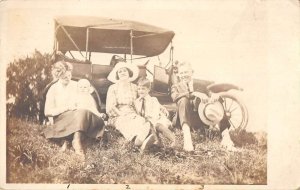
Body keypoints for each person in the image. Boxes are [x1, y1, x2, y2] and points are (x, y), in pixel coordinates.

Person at [171, 61, 236, 152]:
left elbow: (211, 92)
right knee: (183, 99)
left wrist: (214, 95)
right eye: (181, 73)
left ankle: (226, 137)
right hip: (183, 121)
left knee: (217, 101)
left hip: (201, 120)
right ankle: (187, 140)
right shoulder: (175, 87)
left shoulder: (202, 84)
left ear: (192, 72)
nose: (184, 75)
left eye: (186, 72)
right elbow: (175, 97)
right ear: (178, 74)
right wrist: (194, 93)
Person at [43, 61, 105, 157]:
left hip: (79, 116)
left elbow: (88, 99)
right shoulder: (53, 89)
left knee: (83, 112)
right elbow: (47, 112)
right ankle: (74, 141)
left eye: (69, 75)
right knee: (81, 113)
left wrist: (96, 112)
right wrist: (66, 108)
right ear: (58, 76)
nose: (68, 79)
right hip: (62, 118)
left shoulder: (77, 85)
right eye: (64, 77)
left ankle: (74, 140)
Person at [106, 61, 155, 151]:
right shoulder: (113, 88)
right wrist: (122, 114)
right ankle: (137, 141)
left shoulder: (134, 87)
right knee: (125, 123)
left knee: (141, 121)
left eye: (124, 70)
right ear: (117, 75)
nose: (122, 73)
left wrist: (159, 105)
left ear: (129, 73)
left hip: (133, 112)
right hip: (118, 114)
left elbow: (145, 96)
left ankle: (142, 141)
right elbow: (111, 106)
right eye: (120, 71)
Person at [134, 77, 176, 148]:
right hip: (145, 122)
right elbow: (138, 113)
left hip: (157, 119)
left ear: (148, 89)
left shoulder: (153, 100)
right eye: (139, 89)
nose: (141, 91)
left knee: (157, 125)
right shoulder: (137, 102)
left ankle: (173, 140)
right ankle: (153, 140)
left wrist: (150, 118)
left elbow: (156, 112)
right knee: (146, 127)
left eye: (143, 89)